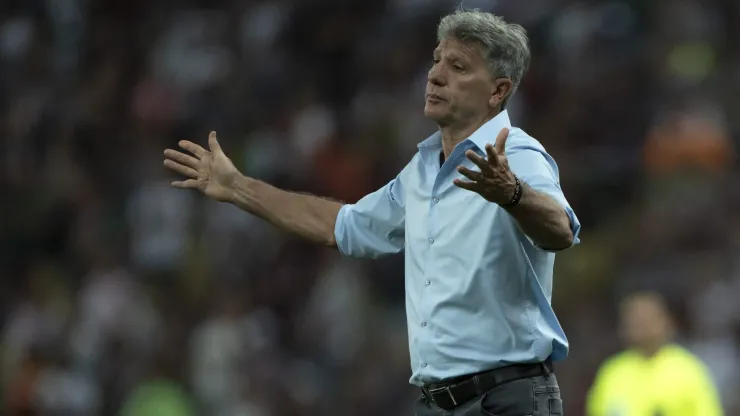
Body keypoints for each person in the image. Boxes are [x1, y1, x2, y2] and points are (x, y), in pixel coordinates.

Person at [164, 9, 580, 416]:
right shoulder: (422, 171)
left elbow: (560, 229)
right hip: (438, 403)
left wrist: (513, 194)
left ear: (498, 90)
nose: (435, 75)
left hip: (506, 398)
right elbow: (342, 226)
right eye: (437, 61)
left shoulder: (516, 153)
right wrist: (238, 187)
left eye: (458, 67)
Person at [586, 292, 724, 416]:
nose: (642, 326)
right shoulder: (611, 372)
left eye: (648, 319)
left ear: (666, 322)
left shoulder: (689, 371)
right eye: (635, 320)